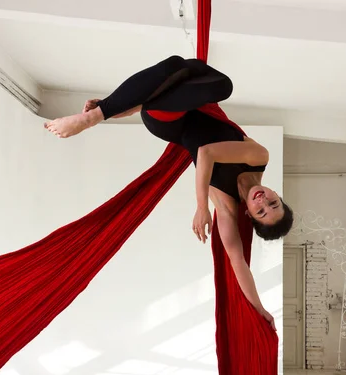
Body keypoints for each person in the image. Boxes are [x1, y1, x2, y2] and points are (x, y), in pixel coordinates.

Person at [44, 55, 294, 329]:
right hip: (191, 101)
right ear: (276, 194)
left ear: (250, 214)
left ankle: (96, 115)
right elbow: (208, 152)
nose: (264, 201)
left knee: (208, 83)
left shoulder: (226, 209)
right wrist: (201, 207)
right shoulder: (258, 156)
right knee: (187, 69)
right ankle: (121, 106)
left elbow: (239, 264)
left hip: (169, 121)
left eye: (261, 211)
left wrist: (261, 310)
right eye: (274, 203)